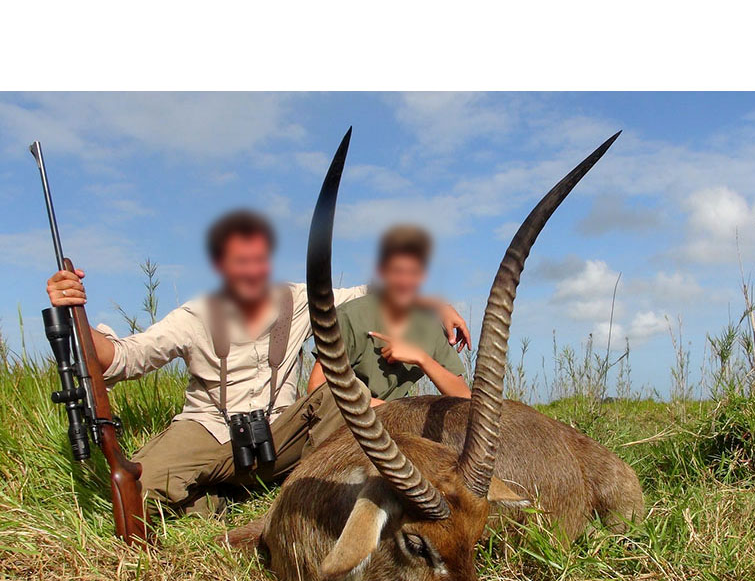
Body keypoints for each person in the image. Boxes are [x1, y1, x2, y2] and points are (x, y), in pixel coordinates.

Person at [45, 210, 470, 514]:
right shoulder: (195, 315)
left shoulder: (298, 300)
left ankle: (322, 503)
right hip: (212, 428)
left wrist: (437, 304)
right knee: (135, 492)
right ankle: (219, 497)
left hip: (280, 433)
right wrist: (74, 311)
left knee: (335, 395)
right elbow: (121, 358)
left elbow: (377, 291)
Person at [307, 224, 471, 406]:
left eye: (413, 273)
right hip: (348, 420)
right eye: (397, 272)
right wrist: (389, 410)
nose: (405, 281)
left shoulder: (430, 327)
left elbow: (464, 397)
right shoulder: (350, 316)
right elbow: (316, 387)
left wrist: (421, 358)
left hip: (395, 423)